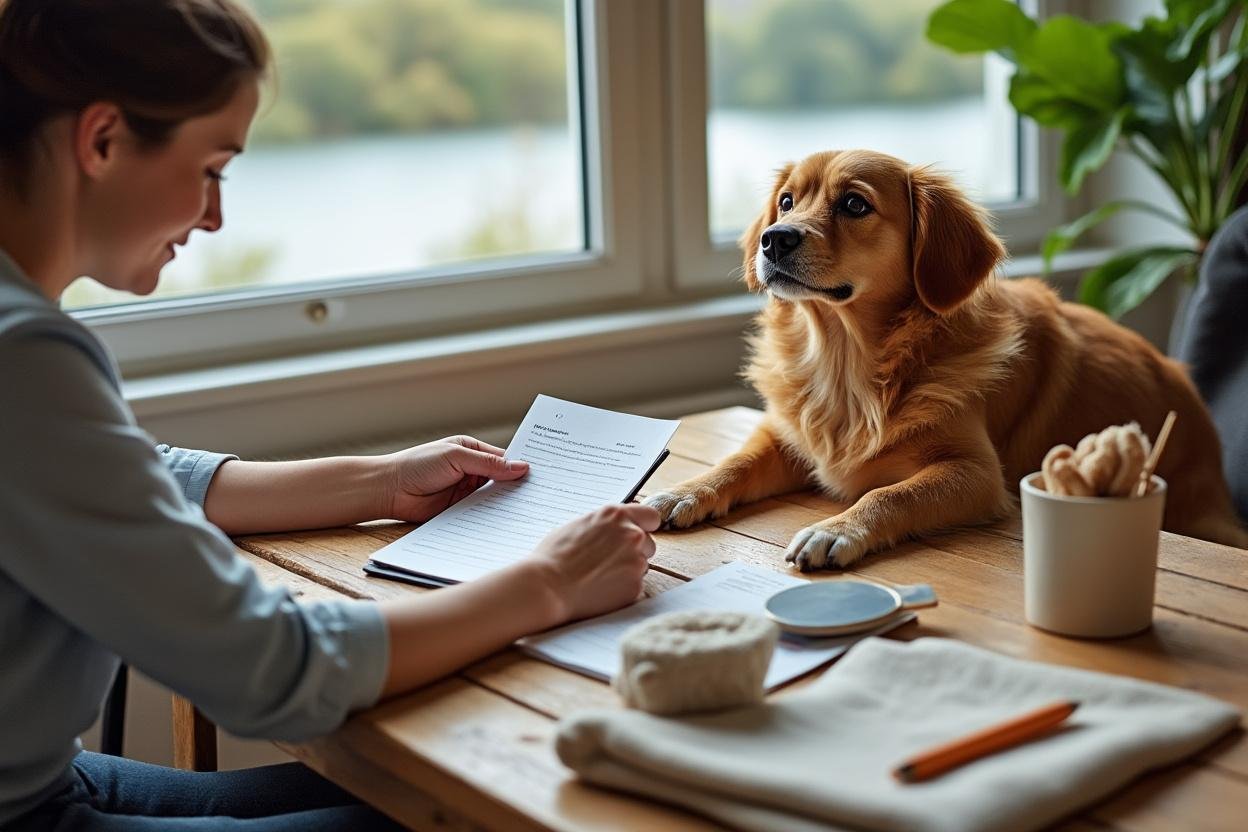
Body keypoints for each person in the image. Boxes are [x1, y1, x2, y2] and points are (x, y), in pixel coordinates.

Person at [0, 1, 660, 828]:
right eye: (212, 169)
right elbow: (268, 671)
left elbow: (111, 477)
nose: (214, 216)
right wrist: (549, 583)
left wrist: (382, 482)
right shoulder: (22, 353)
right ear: (102, 140)